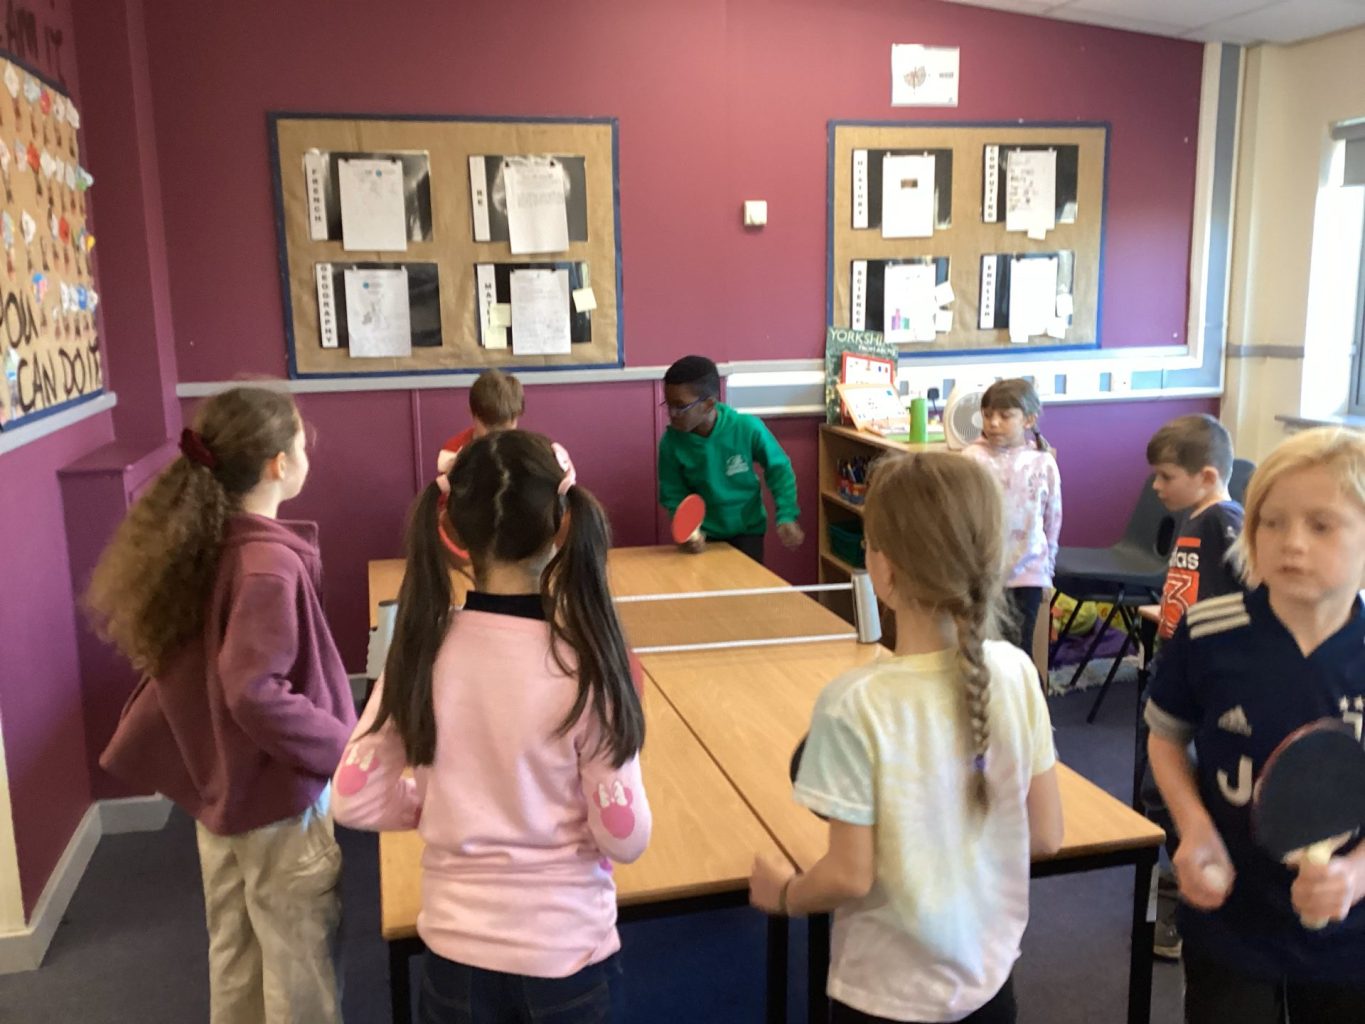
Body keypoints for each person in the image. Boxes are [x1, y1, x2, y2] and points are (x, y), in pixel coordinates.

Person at [333, 430, 651, 1022]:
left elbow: (351, 798)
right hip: (565, 958)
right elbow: (625, 836)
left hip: (454, 963)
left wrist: (432, 802)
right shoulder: (588, 664)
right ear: (563, 526)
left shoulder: (419, 651)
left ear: (451, 531)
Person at [751, 451, 1063, 1024]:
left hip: (885, 997)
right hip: (990, 987)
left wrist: (786, 895)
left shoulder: (853, 704)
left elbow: (848, 875)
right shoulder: (1018, 671)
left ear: (884, 570)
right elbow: (1046, 834)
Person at [87, 387, 354, 1024]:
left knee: (236, 957)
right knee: (299, 966)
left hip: (223, 796)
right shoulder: (266, 567)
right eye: (301, 442)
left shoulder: (203, 542)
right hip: (276, 802)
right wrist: (343, 748)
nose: (306, 452)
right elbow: (253, 691)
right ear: (277, 465)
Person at [1147, 427, 1365, 1022]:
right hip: (1231, 919)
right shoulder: (1207, 632)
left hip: (1352, 934)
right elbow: (1166, 739)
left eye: (1321, 525)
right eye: (1271, 522)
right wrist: (1194, 829)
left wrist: (1354, 874)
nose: (1291, 543)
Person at [1142, 412, 1247, 960]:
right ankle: (1189, 881)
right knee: (1156, 787)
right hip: (1177, 669)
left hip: (1209, 679)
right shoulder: (1195, 518)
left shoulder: (1223, 521)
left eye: (1166, 476)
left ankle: (1200, 896)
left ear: (1206, 476)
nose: (1157, 487)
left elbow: (1252, 589)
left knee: (1178, 791)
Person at [657, 354, 803, 564]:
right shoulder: (670, 443)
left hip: (748, 533)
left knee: (745, 585)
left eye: (680, 406)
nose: (672, 413)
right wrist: (689, 531)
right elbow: (673, 494)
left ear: (708, 404)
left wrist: (786, 514)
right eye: (668, 405)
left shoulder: (747, 428)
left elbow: (778, 468)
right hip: (704, 536)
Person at [961, 378, 1062, 655]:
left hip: (1027, 574)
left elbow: (1052, 519)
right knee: (982, 649)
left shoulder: (1043, 462)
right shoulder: (971, 459)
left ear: (1029, 420)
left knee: (1019, 651)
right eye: (987, 415)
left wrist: (1047, 572)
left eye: (1005, 416)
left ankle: (1027, 686)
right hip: (982, 572)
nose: (993, 423)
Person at [435, 368, 574, 565]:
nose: (497, 436)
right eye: (488, 427)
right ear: (473, 414)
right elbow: (447, 511)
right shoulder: (454, 452)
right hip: (473, 544)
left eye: (506, 427)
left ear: (518, 416)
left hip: (522, 545)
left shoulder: (531, 452)